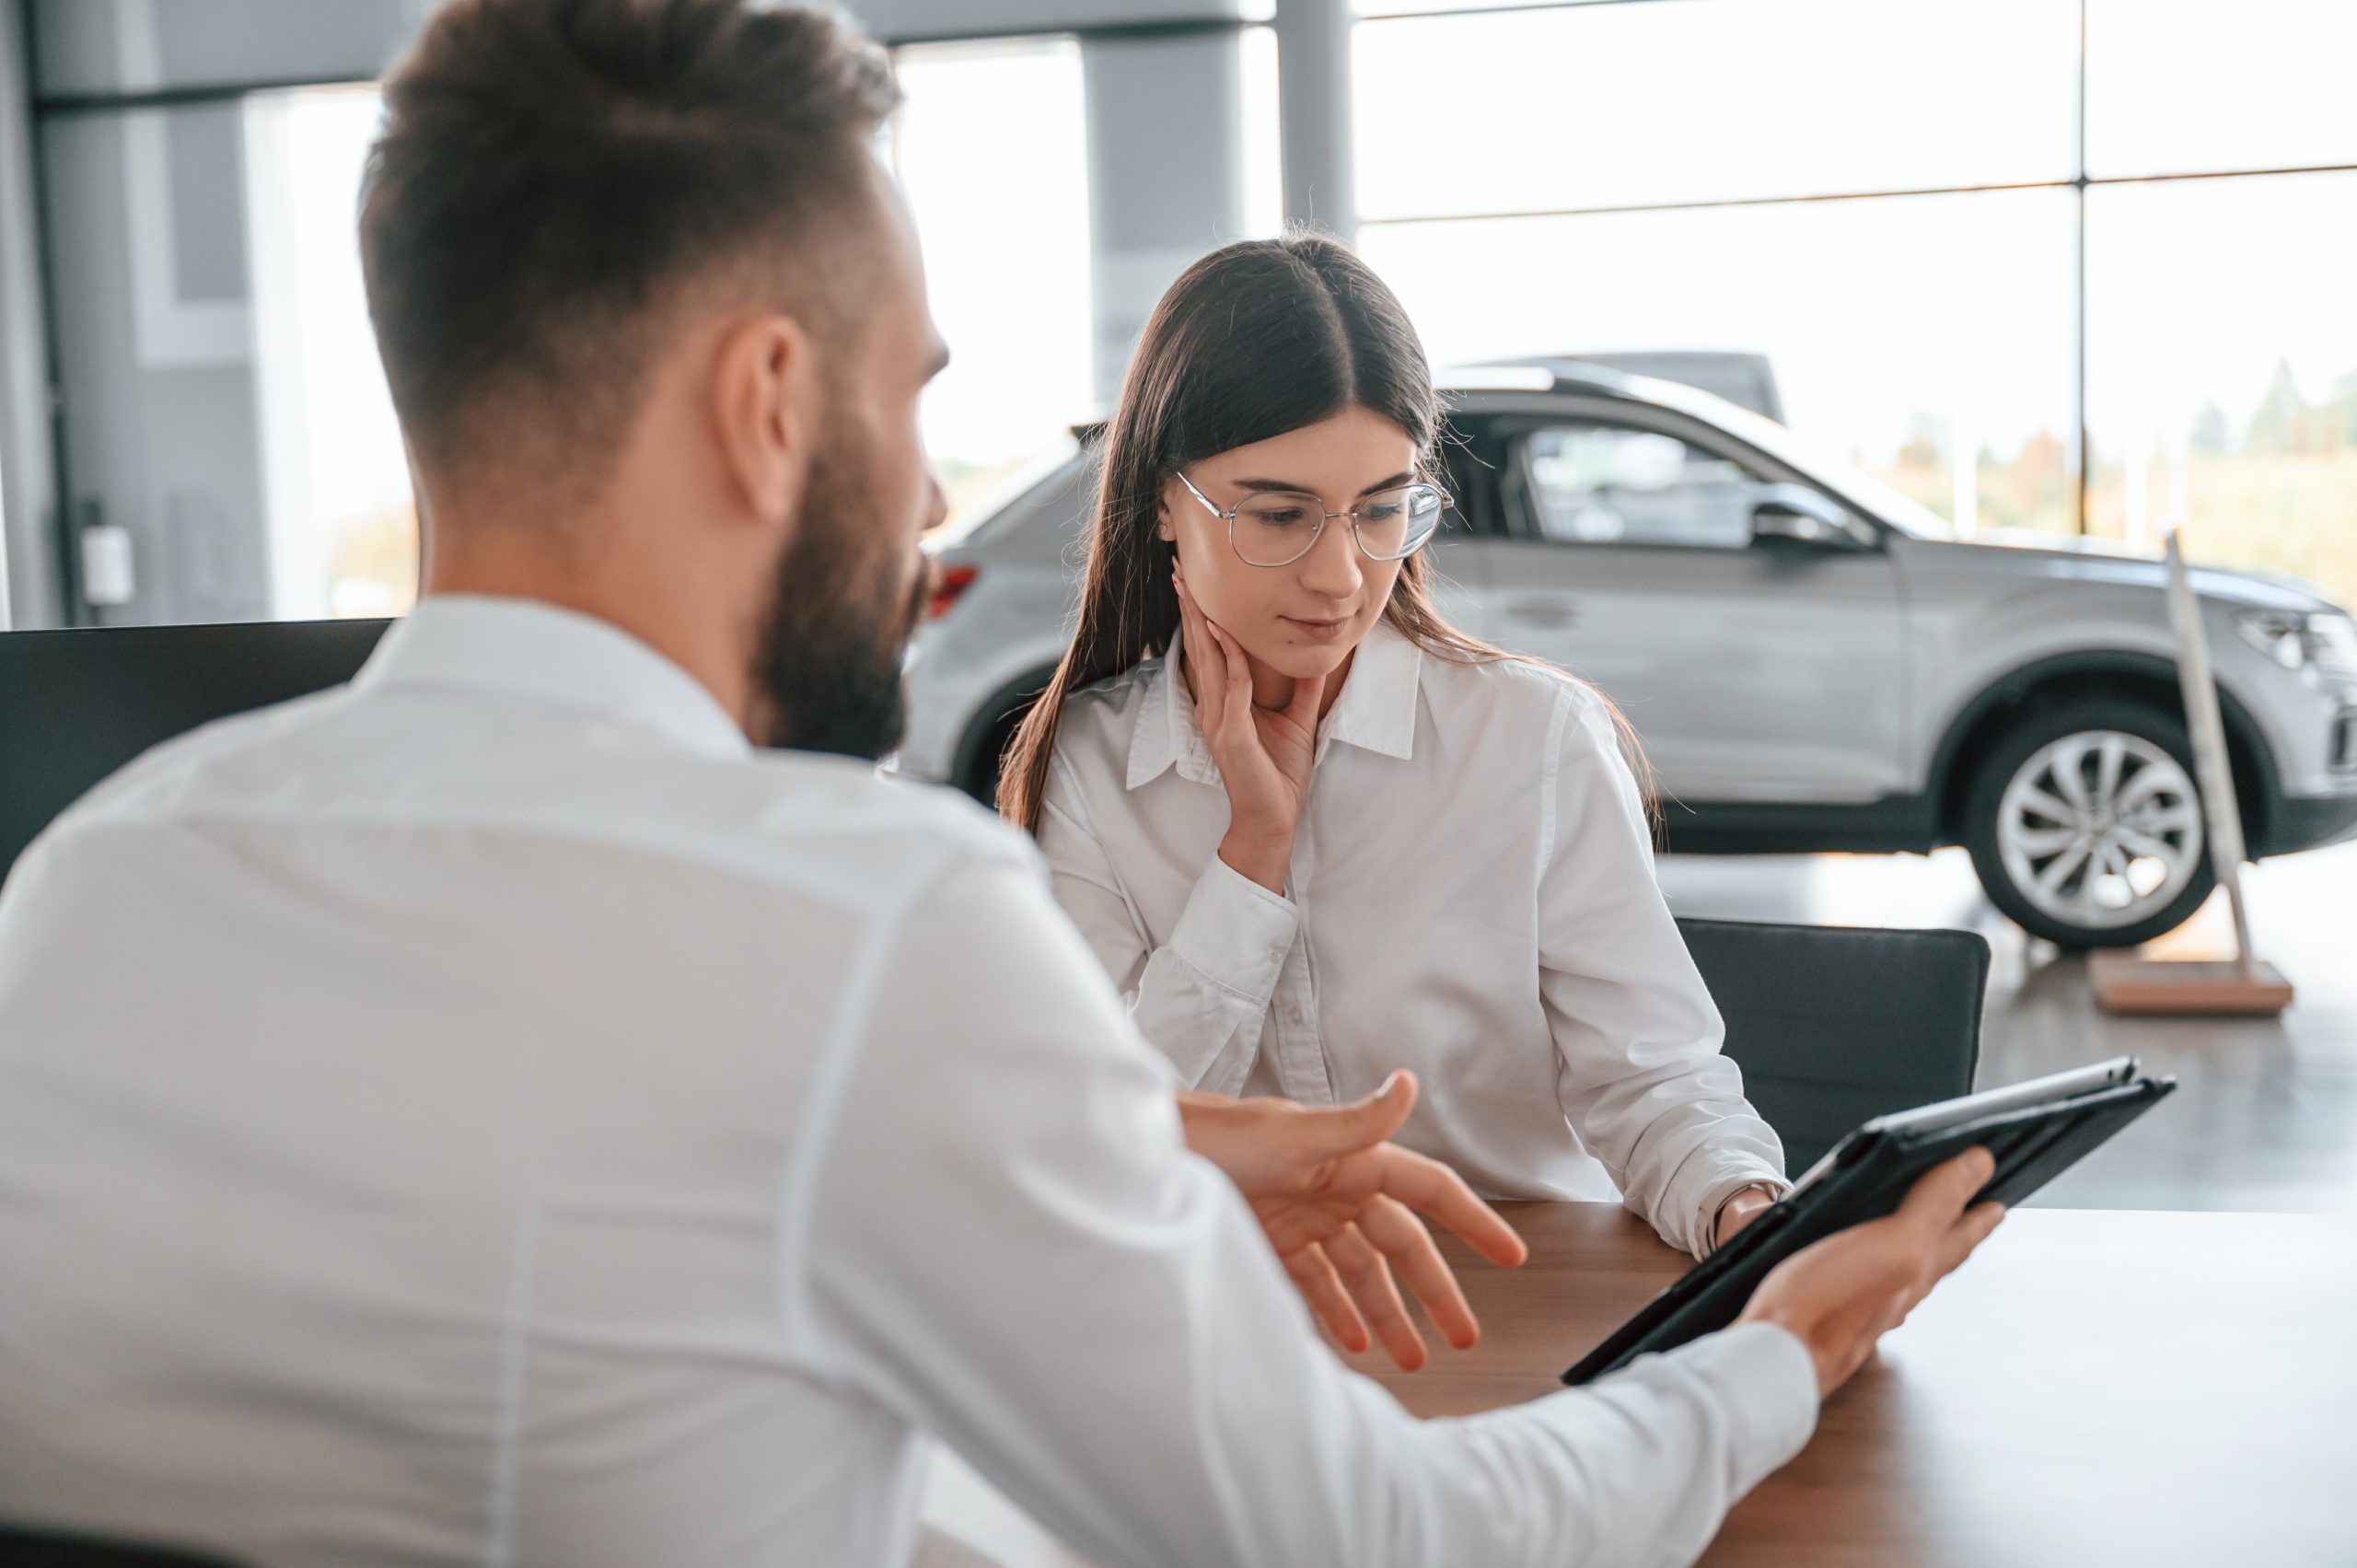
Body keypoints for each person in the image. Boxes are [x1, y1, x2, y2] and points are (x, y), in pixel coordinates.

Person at [0, 2, 2003, 1565]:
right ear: (768, 404)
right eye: (911, 401)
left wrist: (1146, 1136)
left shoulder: (88, 889)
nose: (932, 507)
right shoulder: (857, 921)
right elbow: (1370, 1539)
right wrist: (1774, 1350)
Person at [1001, 236, 1788, 1258]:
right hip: (1237, 1306)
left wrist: (1745, 1211)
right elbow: (1108, 1140)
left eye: (1380, 509)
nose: (1339, 575)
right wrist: (1252, 853)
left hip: (1511, 1295)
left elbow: (1652, 1082)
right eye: (1278, 514)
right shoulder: (1090, 768)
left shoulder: (1532, 739)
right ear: (1162, 501)